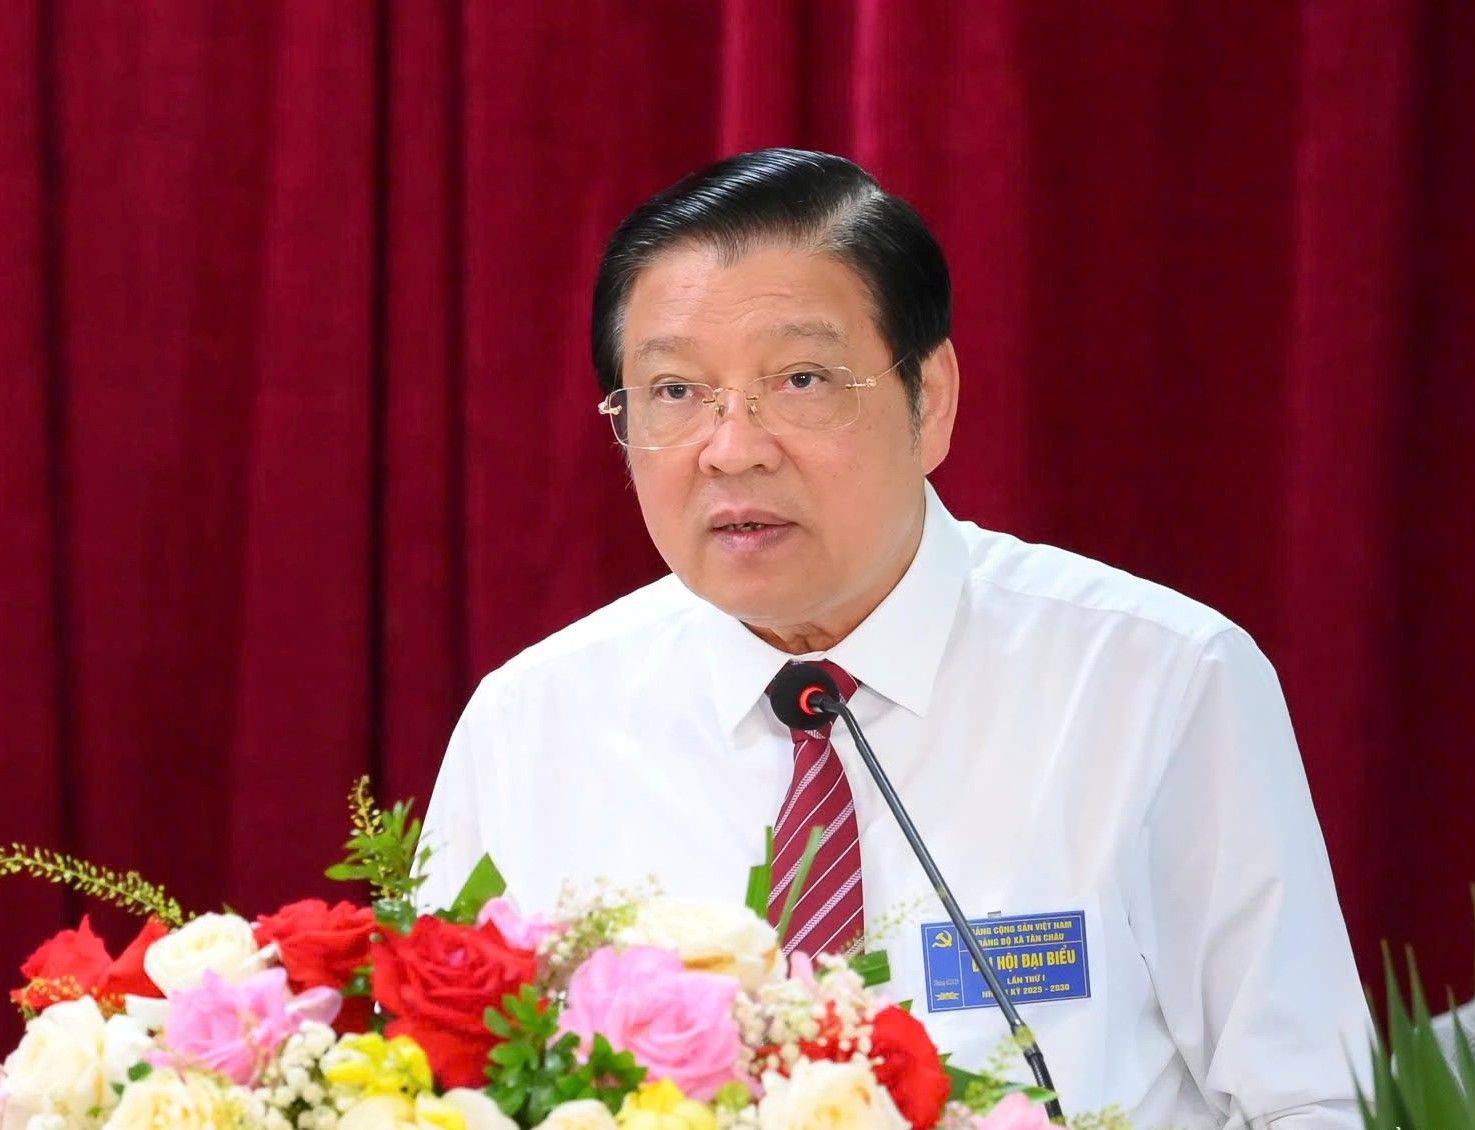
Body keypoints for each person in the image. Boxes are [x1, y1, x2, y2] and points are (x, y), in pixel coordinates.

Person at [420, 148, 1368, 1129]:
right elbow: (431, 1091)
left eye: (799, 379)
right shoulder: (532, 722)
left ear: (930, 398)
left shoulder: (1156, 682)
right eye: (672, 392)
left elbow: (1309, 1099)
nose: (731, 445)